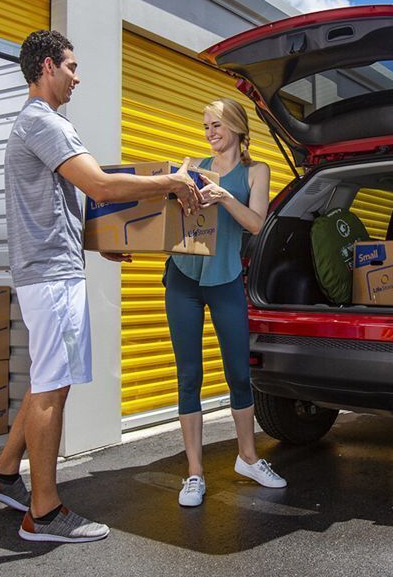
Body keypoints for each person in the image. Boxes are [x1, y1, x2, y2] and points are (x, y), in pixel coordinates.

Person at [0, 29, 202, 543]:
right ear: (48, 66)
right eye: (72, 66)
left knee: (47, 378)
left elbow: (55, 208)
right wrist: (170, 182)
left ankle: (5, 474)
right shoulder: (42, 122)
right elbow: (98, 184)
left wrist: (96, 243)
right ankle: (45, 513)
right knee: (54, 386)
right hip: (51, 278)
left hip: (52, 270)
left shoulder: (39, 125)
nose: (78, 76)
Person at [164, 97, 286, 508]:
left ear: (236, 127)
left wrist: (223, 197)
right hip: (183, 276)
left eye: (216, 125)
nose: (210, 133)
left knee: (238, 371)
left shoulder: (256, 171)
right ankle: (195, 473)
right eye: (205, 127)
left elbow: (256, 224)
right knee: (188, 375)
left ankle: (248, 458)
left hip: (226, 279)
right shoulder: (191, 166)